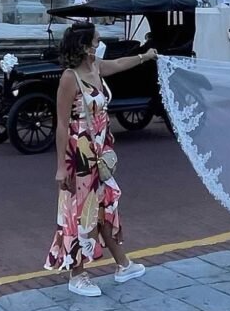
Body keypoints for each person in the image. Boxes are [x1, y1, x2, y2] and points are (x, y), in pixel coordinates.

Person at [46, 22, 157, 295]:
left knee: (105, 207)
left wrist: (146, 56)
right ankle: (77, 274)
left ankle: (123, 264)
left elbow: (119, 64)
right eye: (95, 41)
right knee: (80, 211)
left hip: (100, 151)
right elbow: (61, 124)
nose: (99, 43)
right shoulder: (70, 78)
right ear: (84, 46)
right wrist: (61, 166)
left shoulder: (96, 67)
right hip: (80, 153)